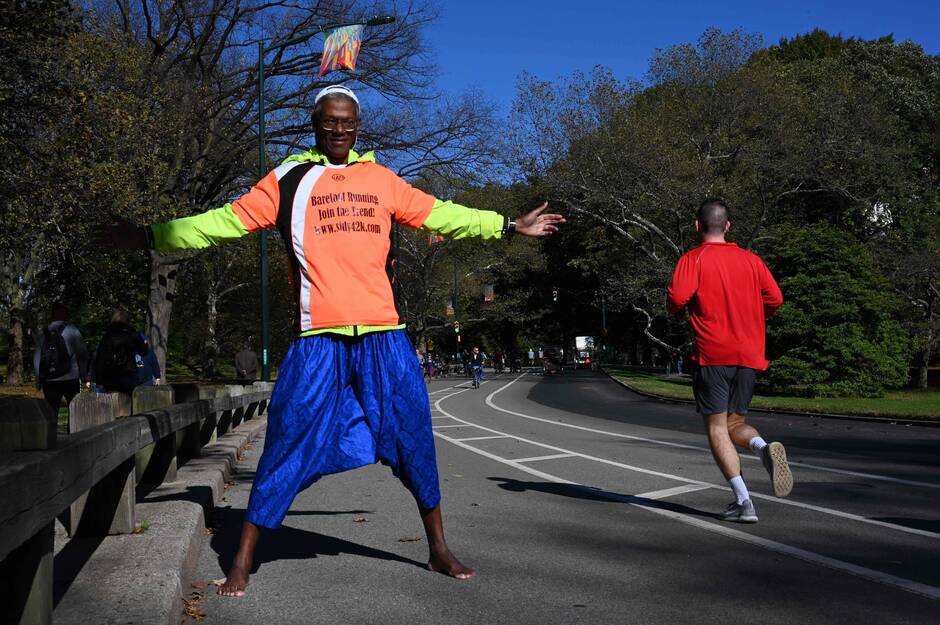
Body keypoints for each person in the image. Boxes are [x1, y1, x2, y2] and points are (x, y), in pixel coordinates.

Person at [97, 84, 565, 597]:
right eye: (329, 121)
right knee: (286, 438)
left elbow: (441, 213)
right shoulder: (288, 180)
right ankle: (243, 558)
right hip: (318, 340)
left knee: (414, 438)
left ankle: (437, 549)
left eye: (348, 122)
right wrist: (150, 236)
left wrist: (506, 225)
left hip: (385, 337)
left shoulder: (383, 180)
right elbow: (221, 224)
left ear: (358, 126)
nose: (339, 129)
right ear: (315, 124)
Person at [666, 198, 791, 523]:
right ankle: (762, 448)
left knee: (717, 427)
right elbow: (775, 298)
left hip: (713, 354)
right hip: (750, 354)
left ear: (697, 226)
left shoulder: (694, 259)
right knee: (735, 423)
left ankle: (743, 501)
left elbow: (676, 300)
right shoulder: (752, 260)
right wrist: (750, 315)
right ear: (728, 226)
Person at [33, 302, 89, 415]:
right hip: (71, 378)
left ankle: (51, 433)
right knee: (74, 413)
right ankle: (74, 433)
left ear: (52, 315)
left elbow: (37, 359)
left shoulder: (42, 334)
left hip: (49, 380)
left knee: (51, 414)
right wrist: (84, 376)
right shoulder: (73, 331)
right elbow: (82, 354)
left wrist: (39, 381)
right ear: (64, 315)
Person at [95, 309, 146, 394]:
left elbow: (100, 359)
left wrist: (99, 381)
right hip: (129, 374)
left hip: (110, 375)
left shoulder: (108, 335)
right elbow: (144, 351)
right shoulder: (132, 334)